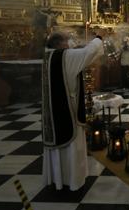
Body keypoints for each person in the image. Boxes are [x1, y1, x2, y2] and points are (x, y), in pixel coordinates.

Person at [42, 31, 104, 191]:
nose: (68, 45)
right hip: (67, 110)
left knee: (58, 148)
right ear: (59, 45)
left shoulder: (49, 56)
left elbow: (79, 54)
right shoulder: (63, 56)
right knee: (71, 145)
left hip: (52, 110)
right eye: (66, 43)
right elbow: (88, 53)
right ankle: (72, 180)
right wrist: (99, 38)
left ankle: (56, 179)